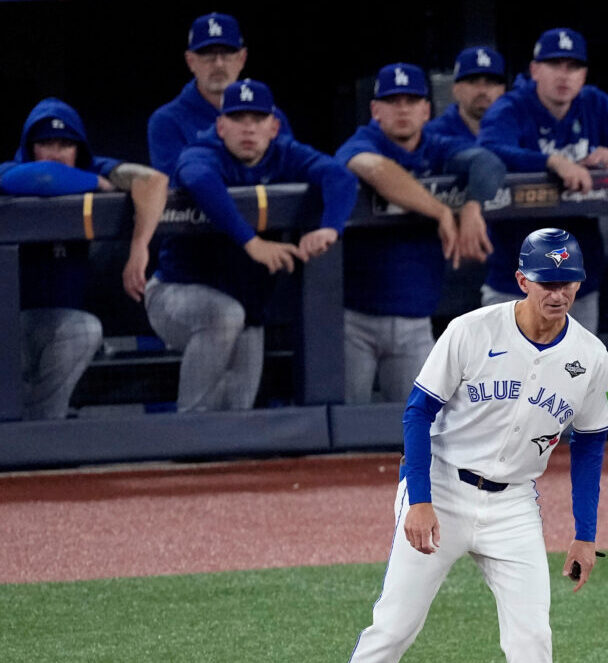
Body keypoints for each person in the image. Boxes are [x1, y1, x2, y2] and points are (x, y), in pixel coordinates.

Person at [303, 228, 608, 663]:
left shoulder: (590, 356)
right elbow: (418, 410)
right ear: (522, 280)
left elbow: (592, 443)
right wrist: (418, 498)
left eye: (568, 283)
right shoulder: (472, 330)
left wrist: (584, 531)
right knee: (392, 627)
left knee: (532, 640)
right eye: (548, 283)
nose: (559, 294)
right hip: (443, 490)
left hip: (513, 507)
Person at [147, 79, 356, 412]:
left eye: (257, 120)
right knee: (224, 316)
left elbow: (340, 177)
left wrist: (330, 228)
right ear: (220, 125)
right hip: (175, 293)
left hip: (249, 308)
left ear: (273, 127)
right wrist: (252, 242)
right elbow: (198, 179)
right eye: (238, 119)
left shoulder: (285, 152)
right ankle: (186, 433)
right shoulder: (201, 151)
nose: (248, 129)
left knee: (237, 414)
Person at [334, 62, 504, 404]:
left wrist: (471, 206)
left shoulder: (437, 147)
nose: (403, 109)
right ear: (375, 110)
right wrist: (440, 210)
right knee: (345, 435)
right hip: (355, 323)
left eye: (411, 101)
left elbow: (488, 163)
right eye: (393, 101)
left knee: (423, 434)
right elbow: (375, 169)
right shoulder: (363, 141)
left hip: (415, 324)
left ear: (426, 109)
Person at [477, 27, 608, 330]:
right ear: (535, 70)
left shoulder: (593, 103)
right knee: (508, 375)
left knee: (574, 373)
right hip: (514, 278)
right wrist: (552, 162)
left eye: (573, 67)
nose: (564, 76)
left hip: (576, 279)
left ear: (584, 74)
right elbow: (487, 152)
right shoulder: (513, 107)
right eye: (554, 65)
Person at [0, 99, 168, 419]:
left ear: (79, 149)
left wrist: (139, 247)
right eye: (45, 143)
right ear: (29, 147)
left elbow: (153, 181)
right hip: (9, 325)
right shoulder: (10, 170)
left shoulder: (92, 167)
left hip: (59, 327)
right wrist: (96, 184)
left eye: (65, 144)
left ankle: (45, 432)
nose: (55, 152)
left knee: (84, 330)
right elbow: (45, 178)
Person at [148, 12, 291, 174]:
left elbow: (293, 176)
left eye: (226, 54)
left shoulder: (271, 116)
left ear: (242, 59)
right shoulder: (167, 121)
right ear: (190, 61)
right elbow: (175, 191)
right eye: (207, 55)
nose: (218, 64)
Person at [428, 47, 508, 140]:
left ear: (502, 90)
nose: (482, 90)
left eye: (490, 82)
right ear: (456, 89)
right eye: (472, 82)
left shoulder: (518, 132)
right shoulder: (431, 136)